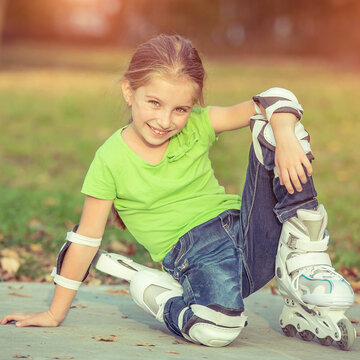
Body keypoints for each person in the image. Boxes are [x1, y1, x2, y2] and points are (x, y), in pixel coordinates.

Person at [0, 34, 355, 349]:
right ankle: (165, 295)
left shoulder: (198, 124)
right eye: (154, 103)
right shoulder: (110, 159)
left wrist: (287, 139)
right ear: (129, 91)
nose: (166, 121)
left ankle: (305, 265)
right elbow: (84, 239)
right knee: (218, 330)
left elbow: (274, 97)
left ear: (193, 105)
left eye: (180, 109)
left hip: (248, 231)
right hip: (195, 257)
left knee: (277, 121)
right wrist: (53, 312)